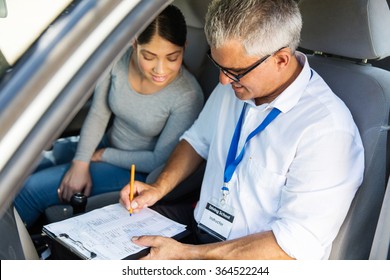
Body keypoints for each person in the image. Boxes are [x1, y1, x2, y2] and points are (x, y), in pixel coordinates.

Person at [119, 0, 364, 260]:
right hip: (200, 227)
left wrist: (186, 255)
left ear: (281, 60)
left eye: (235, 72)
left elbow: (293, 244)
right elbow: (197, 140)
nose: (223, 80)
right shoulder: (235, 88)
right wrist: (158, 187)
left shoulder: (327, 131)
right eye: (219, 66)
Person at [15, 5, 204, 228]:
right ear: (134, 43)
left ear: (185, 48)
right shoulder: (118, 61)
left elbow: (158, 160)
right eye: (149, 56)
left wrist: (103, 155)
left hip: (137, 172)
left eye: (172, 57)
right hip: (106, 145)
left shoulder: (187, 95)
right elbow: (98, 112)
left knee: (29, 191)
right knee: (21, 166)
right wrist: (81, 161)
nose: (160, 69)